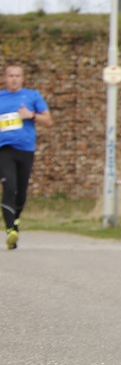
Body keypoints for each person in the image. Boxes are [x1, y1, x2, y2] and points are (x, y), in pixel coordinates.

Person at [0, 64, 53, 250]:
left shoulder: (32, 96)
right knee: (9, 187)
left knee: (21, 193)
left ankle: (15, 221)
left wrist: (30, 115)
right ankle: (10, 230)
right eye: (10, 75)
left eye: (17, 75)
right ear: (4, 78)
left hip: (25, 150)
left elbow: (48, 120)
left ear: (22, 78)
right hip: (4, 150)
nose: (14, 79)